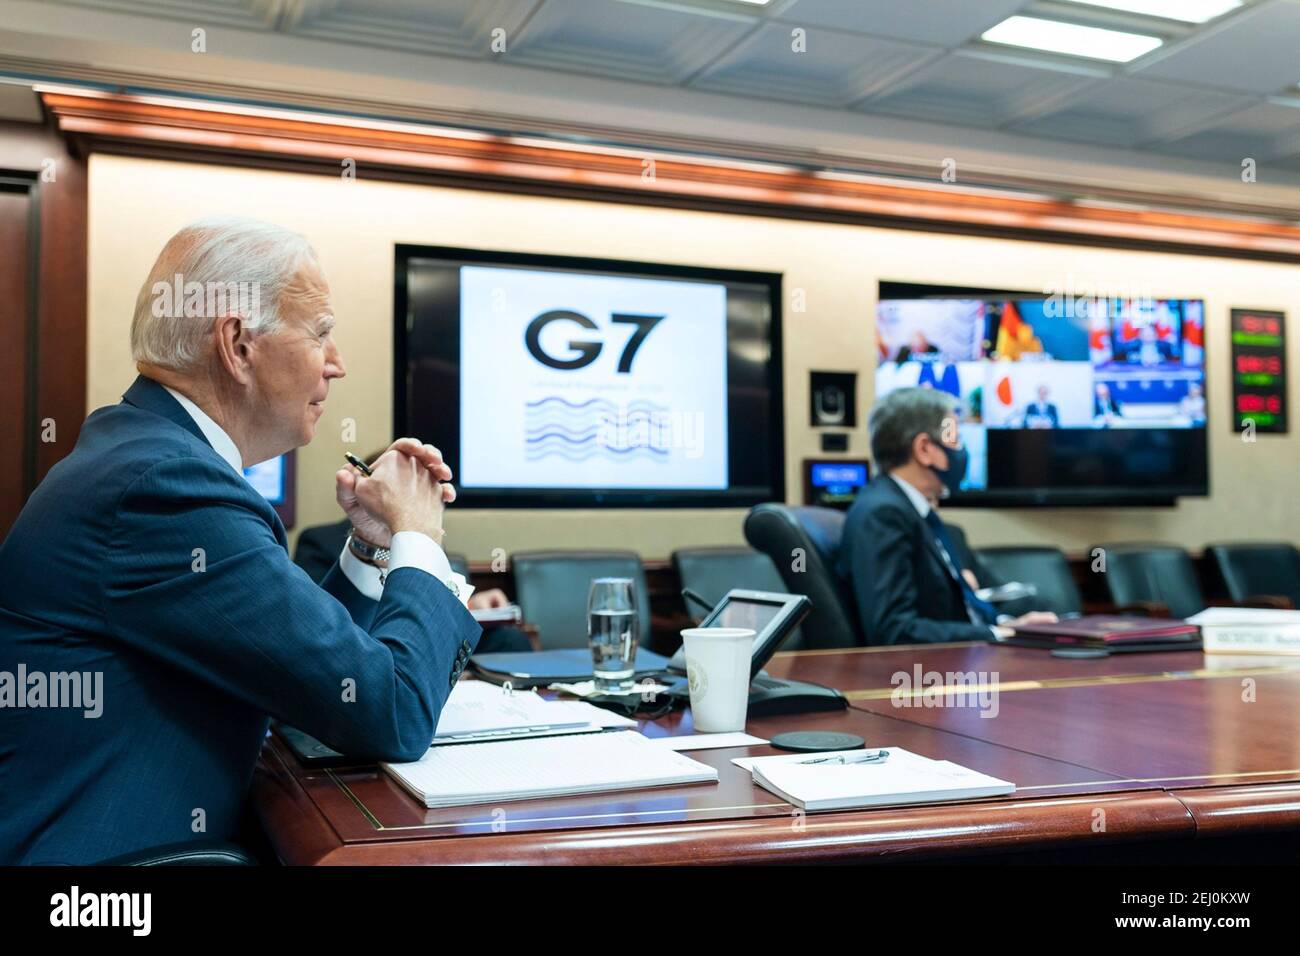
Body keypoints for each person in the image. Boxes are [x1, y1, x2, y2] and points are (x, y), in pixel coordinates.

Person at [0, 218, 480, 865]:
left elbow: (308, 681)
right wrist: (419, 533)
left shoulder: (144, 452)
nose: (337, 365)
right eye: (321, 334)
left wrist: (372, 547)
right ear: (238, 346)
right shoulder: (167, 487)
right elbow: (392, 711)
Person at [838, 387, 1056, 645]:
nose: (961, 450)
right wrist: (997, 635)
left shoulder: (910, 510)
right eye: (955, 439)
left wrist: (1008, 626)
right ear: (924, 449)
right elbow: (894, 629)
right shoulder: (883, 514)